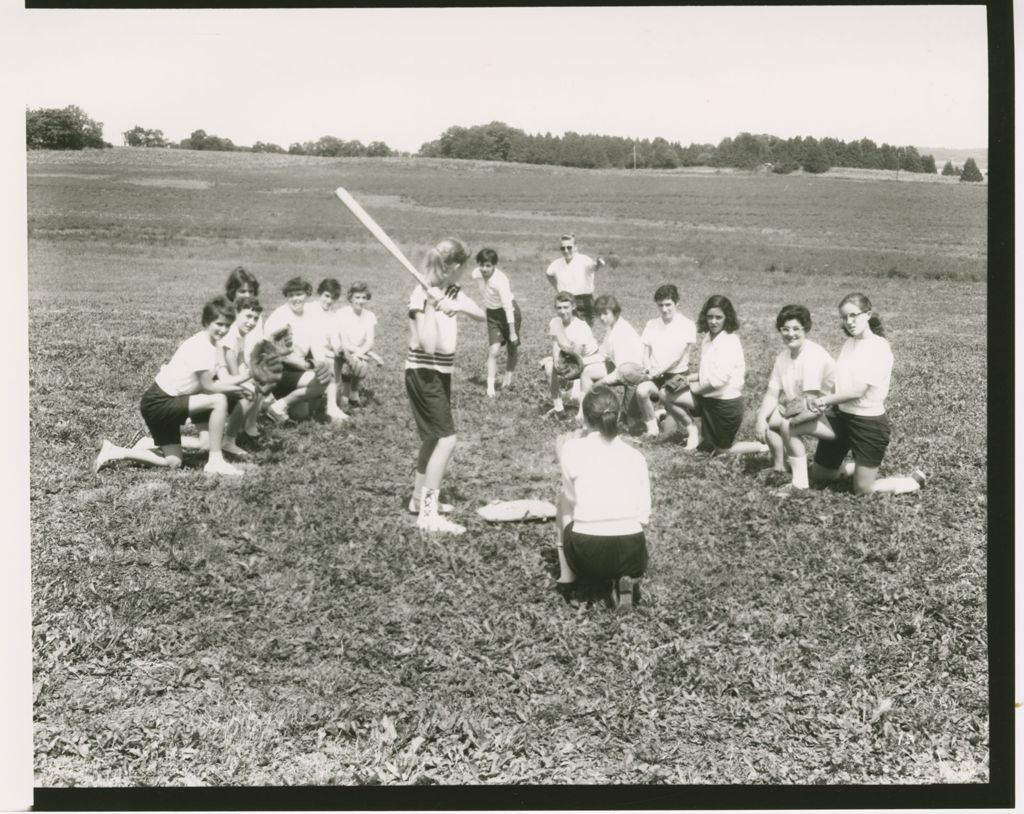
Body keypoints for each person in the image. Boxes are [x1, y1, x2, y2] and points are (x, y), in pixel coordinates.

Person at [93, 297, 251, 477]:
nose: (223, 330)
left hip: (170, 400)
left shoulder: (215, 344)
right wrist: (241, 388)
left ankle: (117, 450)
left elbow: (223, 377)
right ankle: (215, 461)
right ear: (207, 321)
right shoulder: (200, 346)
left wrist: (247, 378)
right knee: (219, 400)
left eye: (227, 326)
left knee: (174, 462)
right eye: (219, 324)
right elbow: (210, 387)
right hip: (159, 402)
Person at [801, 293, 925, 496]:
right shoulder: (849, 344)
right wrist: (826, 399)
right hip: (841, 418)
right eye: (844, 317)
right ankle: (855, 468)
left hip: (868, 424)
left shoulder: (879, 347)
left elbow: (858, 391)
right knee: (819, 475)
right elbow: (839, 381)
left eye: (853, 315)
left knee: (862, 489)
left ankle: (912, 481)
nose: (849, 322)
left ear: (868, 314)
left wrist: (823, 400)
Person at [405, 238, 485, 534]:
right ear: (454, 266)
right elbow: (425, 345)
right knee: (447, 440)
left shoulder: (452, 290)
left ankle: (417, 500)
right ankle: (428, 515)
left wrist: (454, 306)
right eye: (463, 267)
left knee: (432, 438)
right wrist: (430, 304)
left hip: (440, 373)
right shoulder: (419, 294)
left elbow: (483, 314)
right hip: (424, 371)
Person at [553, 386, 651, 611]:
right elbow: (644, 516)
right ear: (616, 417)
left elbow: (572, 499)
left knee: (563, 499)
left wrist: (561, 457)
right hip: (633, 554)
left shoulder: (572, 449)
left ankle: (568, 578)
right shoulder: (635, 456)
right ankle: (622, 577)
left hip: (589, 554)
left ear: (585, 420)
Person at [752, 305, 837, 488]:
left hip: (833, 417)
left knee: (786, 425)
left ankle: (799, 484)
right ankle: (779, 467)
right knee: (767, 417)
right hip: (807, 408)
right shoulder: (783, 357)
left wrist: (788, 417)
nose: (790, 334)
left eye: (796, 328)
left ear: (806, 329)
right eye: (785, 329)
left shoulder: (813, 355)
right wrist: (760, 418)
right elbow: (772, 393)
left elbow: (811, 402)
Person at [676, 295, 768, 456]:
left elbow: (718, 381)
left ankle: (761, 447)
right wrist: (690, 378)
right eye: (710, 317)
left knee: (723, 450)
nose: (713, 322)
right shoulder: (707, 339)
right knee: (668, 394)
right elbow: (708, 372)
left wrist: (695, 390)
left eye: (718, 317)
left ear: (727, 318)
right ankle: (695, 432)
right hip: (708, 399)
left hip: (725, 405)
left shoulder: (730, 342)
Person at [262, 276, 333, 422]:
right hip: (278, 369)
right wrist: (309, 366)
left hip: (299, 368)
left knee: (303, 414)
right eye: (291, 295)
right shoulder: (280, 316)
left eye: (299, 294)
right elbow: (281, 354)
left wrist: (322, 366)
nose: (295, 299)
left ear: (307, 294)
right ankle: (277, 404)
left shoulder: (310, 316)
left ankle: (279, 402)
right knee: (319, 384)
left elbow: (317, 346)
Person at [636, 284, 698, 443]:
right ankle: (652, 428)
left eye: (668, 304)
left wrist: (654, 372)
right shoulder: (651, 324)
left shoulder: (687, 325)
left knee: (669, 431)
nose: (664, 309)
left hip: (676, 377)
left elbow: (676, 357)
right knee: (641, 391)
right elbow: (645, 349)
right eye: (660, 305)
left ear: (677, 303)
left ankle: (687, 425)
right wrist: (647, 367)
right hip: (656, 376)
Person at [541, 291, 606, 418]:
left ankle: (582, 414)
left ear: (573, 307)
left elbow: (576, 356)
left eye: (566, 307)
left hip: (589, 359)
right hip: (568, 355)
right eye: (559, 308)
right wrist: (555, 360)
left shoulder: (581, 326)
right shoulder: (555, 322)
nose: (562, 311)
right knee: (549, 367)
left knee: (579, 387)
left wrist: (562, 367)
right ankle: (559, 409)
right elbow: (555, 344)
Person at [471, 248, 521, 398]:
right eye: (482, 265)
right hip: (492, 315)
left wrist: (512, 332)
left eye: (488, 265)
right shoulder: (476, 274)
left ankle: (508, 377)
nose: (484, 269)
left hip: (509, 313)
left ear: (494, 265)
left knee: (512, 347)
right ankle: (491, 388)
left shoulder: (501, 280)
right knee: (493, 350)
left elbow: (508, 306)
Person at [590, 294, 645, 428]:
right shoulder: (612, 328)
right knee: (588, 371)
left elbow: (622, 371)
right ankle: (588, 414)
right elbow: (603, 354)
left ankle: (631, 417)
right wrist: (582, 361)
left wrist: (601, 382)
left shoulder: (621, 332)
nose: (602, 318)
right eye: (599, 314)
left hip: (636, 375)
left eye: (605, 313)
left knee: (630, 424)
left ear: (615, 312)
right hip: (623, 371)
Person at [217, 294, 265, 443]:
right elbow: (231, 365)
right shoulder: (230, 333)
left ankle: (246, 424)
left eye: (255, 318)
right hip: (214, 377)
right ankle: (229, 439)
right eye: (248, 316)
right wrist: (247, 379)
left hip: (225, 376)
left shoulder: (242, 333)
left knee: (259, 382)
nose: (252, 322)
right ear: (236, 313)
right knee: (249, 391)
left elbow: (241, 361)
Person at [307, 278, 349, 422]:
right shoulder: (309, 308)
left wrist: (339, 350)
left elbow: (334, 339)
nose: (329, 301)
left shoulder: (333, 316)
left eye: (334, 297)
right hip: (308, 352)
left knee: (334, 357)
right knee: (330, 358)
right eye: (326, 296)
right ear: (319, 293)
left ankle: (331, 405)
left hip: (323, 353)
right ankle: (327, 401)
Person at [332, 281, 380, 410]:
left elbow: (370, 341)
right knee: (356, 362)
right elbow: (344, 343)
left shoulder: (369, 315)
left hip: (359, 351)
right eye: (357, 297)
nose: (360, 301)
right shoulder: (342, 314)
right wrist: (363, 354)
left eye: (364, 298)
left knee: (361, 364)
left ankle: (353, 395)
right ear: (351, 298)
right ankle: (345, 395)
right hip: (342, 350)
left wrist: (360, 354)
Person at [544, 234, 606, 325]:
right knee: (567, 330)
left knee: (584, 331)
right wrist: (557, 289)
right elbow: (549, 274)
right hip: (566, 301)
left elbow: (593, 266)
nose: (566, 251)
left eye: (569, 247)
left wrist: (598, 264)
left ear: (576, 247)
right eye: (563, 248)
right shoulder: (557, 263)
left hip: (584, 301)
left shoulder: (584, 260)